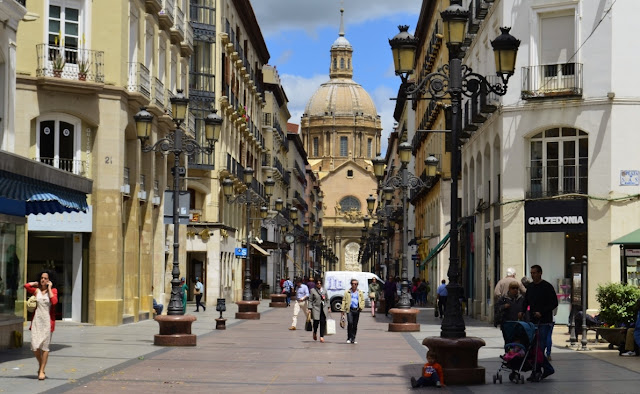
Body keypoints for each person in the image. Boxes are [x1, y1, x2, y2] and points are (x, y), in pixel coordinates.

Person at [520, 265, 557, 381]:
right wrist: (522, 311)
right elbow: (526, 301)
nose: (532, 275)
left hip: (545, 321)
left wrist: (542, 312)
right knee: (533, 348)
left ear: (540, 273)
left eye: (535, 273)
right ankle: (544, 369)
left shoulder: (547, 286)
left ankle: (538, 370)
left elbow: (554, 303)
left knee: (540, 347)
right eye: (531, 273)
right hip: (533, 322)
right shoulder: (530, 287)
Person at [24, 270, 58, 381]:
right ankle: (41, 365)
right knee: (34, 346)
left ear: (50, 280)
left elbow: (54, 301)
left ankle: (42, 370)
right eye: (42, 278)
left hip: (47, 322)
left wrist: (49, 288)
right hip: (37, 321)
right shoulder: (37, 290)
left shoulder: (53, 291)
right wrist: (34, 283)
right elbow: (26, 286)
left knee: (45, 347)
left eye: (46, 278)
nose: (43, 280)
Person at [341, 278, 365, 344]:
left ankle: (353, 338)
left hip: (357, 310)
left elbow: (362, 300)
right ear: (351, 284)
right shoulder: (347, 292)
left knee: (355, 325)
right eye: (353, 284)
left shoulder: (360, 292)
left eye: (356, 284)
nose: (354, 285)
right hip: (350, 310)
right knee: (350, 323)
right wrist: (342, 310)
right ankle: (349, 337)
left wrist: (361, 307)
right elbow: (344, 301)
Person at [309, 278, 330, 343]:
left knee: (323, 322)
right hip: (316, 308)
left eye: (320, 283)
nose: (319, 284)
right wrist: (309, 308)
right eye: (318, 283)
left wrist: (328, 307)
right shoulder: (313, 290)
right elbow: (310, 300)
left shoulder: (324, 290)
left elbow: (327, 299)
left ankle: (321, 336)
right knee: (316, 322)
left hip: (323, 308)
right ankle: (315, 332)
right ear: (315, 284)